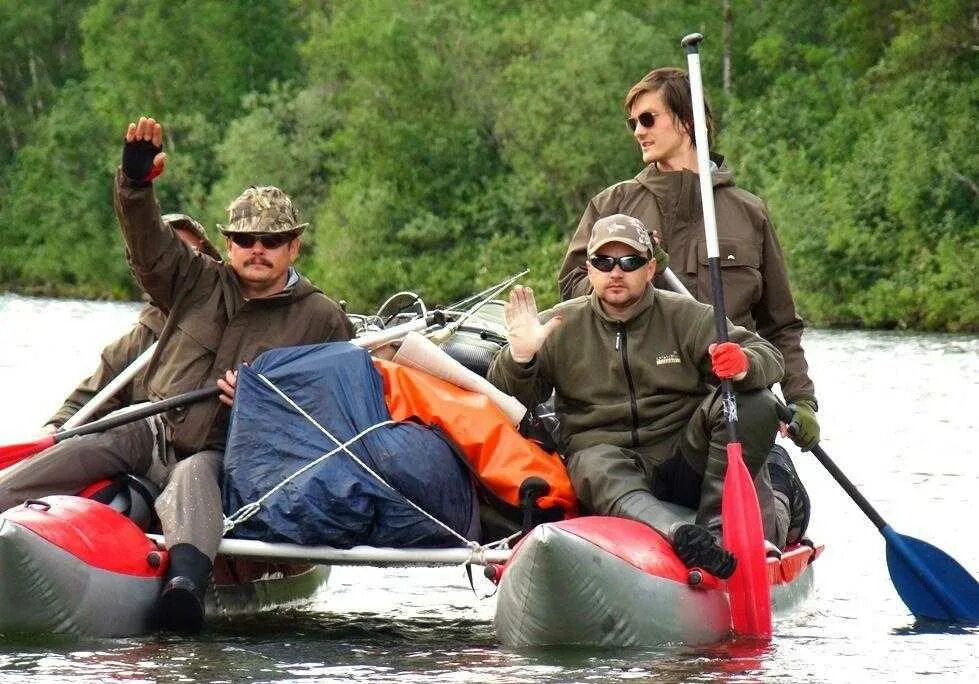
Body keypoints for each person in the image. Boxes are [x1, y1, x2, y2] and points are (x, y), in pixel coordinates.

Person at [0, 116, 352, 632]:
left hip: (233, 455)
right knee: (95, 437)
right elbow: (148, 245)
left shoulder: (323, 318)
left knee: (192, 476)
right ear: (229, 244)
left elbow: (334, 422)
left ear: (294, 246)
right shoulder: (193, 280)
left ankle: (184, 588)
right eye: (246, 238)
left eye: (271, 241)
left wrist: (265, 405)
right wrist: (135, 184)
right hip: (153, 431)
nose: (258, 249)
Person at [556, 67, 816, 546]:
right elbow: (572, 286)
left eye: (649, 118)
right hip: (629, 417)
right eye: (634, 122)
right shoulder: (614, 204)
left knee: (768, 523)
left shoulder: (747, 212)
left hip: (720, 409)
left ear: (687, 120)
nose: (638, 131)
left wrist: (801, 401)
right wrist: (632, 276)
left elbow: (781, 324)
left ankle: (778, 493)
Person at [489, 214, 785, 578]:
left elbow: (769, 356)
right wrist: (521, 357)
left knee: (756, 402)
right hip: (606, 462)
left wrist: (744, 365)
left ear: (650, 268)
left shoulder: (687, 316)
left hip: (683, 456)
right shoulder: (558, 325)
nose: (616, 272)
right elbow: (507, 401)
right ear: (589, 270)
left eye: (630, 262)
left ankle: (716, 530)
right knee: (593, 465)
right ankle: (682, 537)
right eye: (603, 262)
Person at [42, 214, 221, 432]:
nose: (179, 268)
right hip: (143, 451)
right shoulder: (131, 347)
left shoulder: (235, 320)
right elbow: (82, 406)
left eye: (189, 255)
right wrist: (54, 427)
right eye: (167, 257)